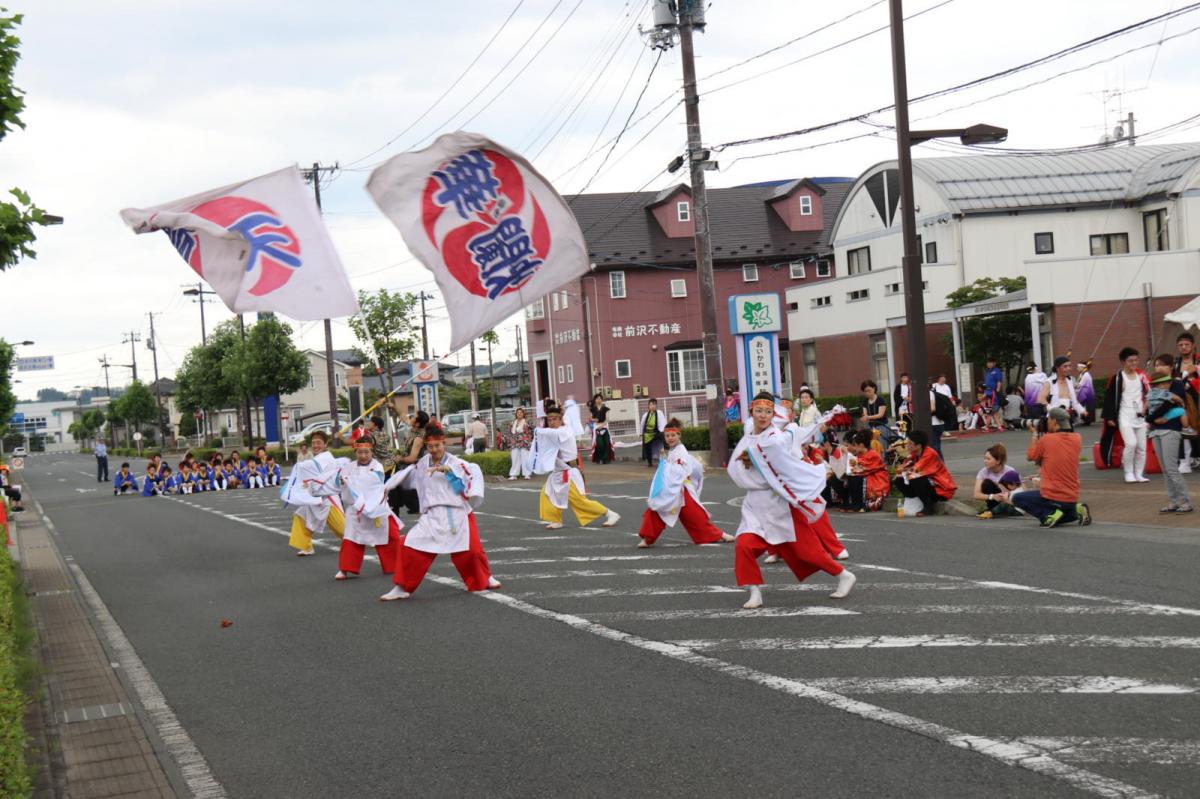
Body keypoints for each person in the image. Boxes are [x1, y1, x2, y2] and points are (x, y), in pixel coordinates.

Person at [727, 392, 855, 609]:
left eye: (768, 412)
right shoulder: (749, 436)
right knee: (744, 546)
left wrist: (815, 425)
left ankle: (844, 574)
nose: (763, 416)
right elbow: (735, 465)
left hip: (780, 503)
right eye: (759, 411)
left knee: (808, 552)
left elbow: (781, 450)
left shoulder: (775, 439)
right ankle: (755, 591)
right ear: (751, 412)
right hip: (755, 506)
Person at [379, 424, 501, 601]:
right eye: (430, 446)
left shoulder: (457, 463)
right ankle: (402, 587)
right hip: (432, 515)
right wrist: (388, 486)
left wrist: (449, 472)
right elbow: (407, 476)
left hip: (457, 513)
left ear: (444, 444)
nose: (434, 449)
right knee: (410, 547)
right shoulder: (422, 464)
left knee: (472, 551)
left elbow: (466, 482)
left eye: (438, 445)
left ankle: (484, 577)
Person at [312, 435, 402, 581]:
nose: (363, 455)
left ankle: (395, 564)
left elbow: (372, 483)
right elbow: (337, 484)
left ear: (371, 451)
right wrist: (341, 481)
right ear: (355, 452)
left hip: (376, 507)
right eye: (360, 452)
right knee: (351, 537)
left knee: (391, 534)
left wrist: (350, 480)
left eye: (366, 452)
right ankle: (345, 569)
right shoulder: (348, 468)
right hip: (356, 509)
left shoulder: (377, 466)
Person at [638, 418, 734, 548]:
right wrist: (665, 461)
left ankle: (719, 534)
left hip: (681, 489)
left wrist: (665, 465)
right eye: (667, 436)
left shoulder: (681, 451)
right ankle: (647, 538)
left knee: (695, 515)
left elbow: (680, 470)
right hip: (673, 488)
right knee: (658, 508)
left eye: (673, 435)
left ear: (679, 435)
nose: (670, 438)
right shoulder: (673, 450)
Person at [533, 401, 620, 530]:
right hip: (557, 472)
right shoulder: (552, 431)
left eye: (554, 419)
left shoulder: (565, 431)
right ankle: (556, 520)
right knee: (546, 493)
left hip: (568, 473)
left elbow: (548, 433)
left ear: (561, 419)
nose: (551, 422)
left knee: (579, 501)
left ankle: (610, 514)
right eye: (549, 419)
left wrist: (537, 430)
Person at [1010, 407, 1091, 527]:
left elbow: (1030, 456)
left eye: (1048, 420)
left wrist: (1035, 434)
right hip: (1072, 496)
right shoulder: (1077, 438)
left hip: (1053, 495)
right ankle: (1076, 509)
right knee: (1065, 510)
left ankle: (1048, 515)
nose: (1047, 422)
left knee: (1016, 498)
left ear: (1053, 421)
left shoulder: (1046, 439)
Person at [282, 430, 346, 556]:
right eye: (313, 443)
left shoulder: (326, 457)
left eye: (319, 443)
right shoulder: (316, 458)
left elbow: (310, 467)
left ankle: (362, 538)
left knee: (344, 530)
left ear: (325, 444)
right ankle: (306, 547)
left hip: (328, 499)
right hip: (314, 498)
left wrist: (299, 467)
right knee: (300, 516)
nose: (316, 445)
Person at [1146, 354, 1193, 513]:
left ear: (1171, 367)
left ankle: (1185, 502)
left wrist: (1153, 418)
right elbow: (1149, 407)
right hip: (1156, 431)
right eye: (1156, 365)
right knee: (1165, 469)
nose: (1158, 367)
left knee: (1171, 468)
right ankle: (1173, 502)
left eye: (1162, 365)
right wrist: (1152, 420)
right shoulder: (1154, 386)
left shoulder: (1176, 384)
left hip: (1171, 430)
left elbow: (1171, 405)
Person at [1099, 347, 1150, 483]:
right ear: (1123, 362)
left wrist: (1145, 410)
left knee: (1141, 447)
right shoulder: (1117, 378)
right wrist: (1109, 417)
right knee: (1131, 444)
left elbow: (1149, 395)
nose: (1134, 363)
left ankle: (1139, 473)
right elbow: (1109, 398)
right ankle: (1128, 472)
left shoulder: (1142, 376)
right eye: (1130, 361)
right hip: (1124, 416)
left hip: (1140, 417)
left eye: (1136, 360)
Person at [892, 430, 957, 515]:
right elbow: (902, 468)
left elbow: (916, 469)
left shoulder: (930, 453)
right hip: (928, 484)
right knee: (898, 479)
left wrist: (904, 472)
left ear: (918, 445)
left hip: (941, 488)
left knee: (915, 478)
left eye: (910, 443)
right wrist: (900, 472)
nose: (907, 445)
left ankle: (928, 506)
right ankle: (914, 501)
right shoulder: (913, 454)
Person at [840, 429, 888, 512]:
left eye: (855, 445)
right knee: (850, 477)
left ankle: (860, 504)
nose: (854, 448)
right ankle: (855, 503)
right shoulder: (860, 454)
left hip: (876, 482)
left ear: (861, 445)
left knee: (857, 476)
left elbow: (861, 468)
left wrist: (849, 455)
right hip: (868, 478)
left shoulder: (873, 454)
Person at [391, 411, 428, 514]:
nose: (411, 417)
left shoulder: (419, 438)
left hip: (413, 472)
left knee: (416, 504)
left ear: (417, 423)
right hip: (405, 469)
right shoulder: (413, 428)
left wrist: (400, 459)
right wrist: (393, 406)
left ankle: (425, 523)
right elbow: (403, 417)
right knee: (396, 495)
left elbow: (412, 458)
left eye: (414, 417)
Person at [1173, 332, 1199, 473]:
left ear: (1193, 346)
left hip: (1197, 400)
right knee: (1184, 430)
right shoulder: (1175, 363)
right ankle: (1184, 461)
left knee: (1196, 428)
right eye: (1181, 345)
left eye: (1186, 344)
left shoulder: (1198, 361)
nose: (1184, 347)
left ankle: (1195, 456)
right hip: (1181, 401)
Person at [973, 444, 1021, 519]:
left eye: (988, 459)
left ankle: (997, 511)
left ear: (998, 461)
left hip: (1009, 501)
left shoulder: (1010, 472)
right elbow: (976, 495)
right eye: (984, 458)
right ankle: (992, 509)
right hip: (995, 498)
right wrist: (992, 496)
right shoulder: (983, 472)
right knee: (987, 483)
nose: (985, 461)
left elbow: (1021, 491)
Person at [507, 408, 534, 479]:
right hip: (514, 442)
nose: (519, 414)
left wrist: (529, 439)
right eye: (518, 412)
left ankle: (527, 474)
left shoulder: (527, 422)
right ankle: (513, 474)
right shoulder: (512, 423)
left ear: (523, 414)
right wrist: (510, 441)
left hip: (524, 442)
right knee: (514, 458)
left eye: (521, 412)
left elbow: (532, 431)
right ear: (516, 414)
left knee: (525, 458)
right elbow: (509, 433)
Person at [588, 394, 614, 465]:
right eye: (597, 398)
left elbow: (607, 419)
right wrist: (594, 419)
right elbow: (590, 418)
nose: (598, 400)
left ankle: (606, 459)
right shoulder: (592, 409)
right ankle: (599, 458)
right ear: (595, 400)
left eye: (600, 398)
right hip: (596, 427)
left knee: (606, 443)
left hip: (605, 427)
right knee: (599, 444)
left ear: (602, 400)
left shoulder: (606, 409)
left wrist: (602, 425)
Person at [639, 398, 665, 467]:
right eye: (650, 405)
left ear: (656, 405)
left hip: (656, 432)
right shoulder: (645, 415)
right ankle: (649, 462)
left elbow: (662, 422)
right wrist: (641, 433)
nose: (652, 406)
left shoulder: (659, 413)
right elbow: (642, 424)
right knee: (647, 448)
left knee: (661, 446)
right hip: (647, 434)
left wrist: (661, 431)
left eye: (654, 404)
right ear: (648, 406)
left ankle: (663, 461)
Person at [982, 358, 1004, 431]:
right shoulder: (988, 372)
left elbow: (999, 381)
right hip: (987, 392)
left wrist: (997, 390)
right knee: (992, 411)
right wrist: (984, 393)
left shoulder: (997, 371)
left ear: (994, 363)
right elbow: (987, 384)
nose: (989, 364)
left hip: (993, 392)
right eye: (988, 363)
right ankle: (999, 426)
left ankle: (987, 427)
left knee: (991, 411)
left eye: (991, 362)